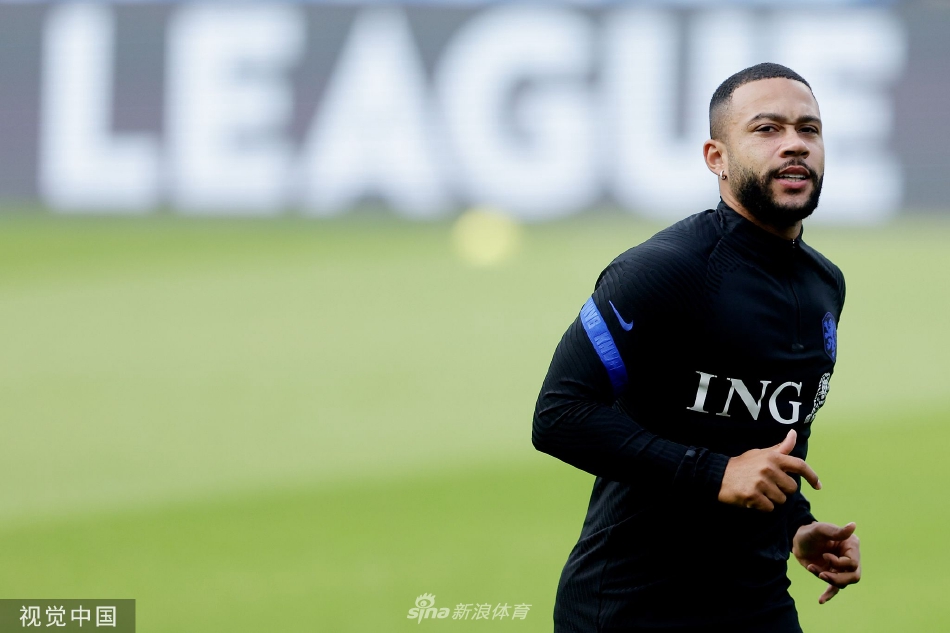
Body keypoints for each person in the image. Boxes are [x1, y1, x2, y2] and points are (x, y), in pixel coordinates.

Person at [532, 63, 862, 632]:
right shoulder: (664, 270)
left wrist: (797, 524)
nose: (795, 144)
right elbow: (560, 414)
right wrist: (715, 474)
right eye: (767, 129)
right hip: (629, 609)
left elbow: (770, 436)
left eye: (808, 129)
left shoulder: (824, 285)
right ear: (717, 157)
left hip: (760, 605)